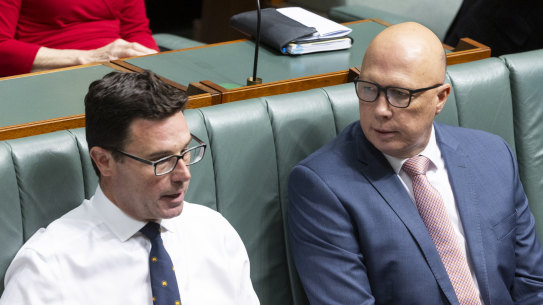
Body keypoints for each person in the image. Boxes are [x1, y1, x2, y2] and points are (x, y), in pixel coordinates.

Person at [288, 22, 543, 305]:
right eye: (370, 88)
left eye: (400, 94)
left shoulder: (493, 155)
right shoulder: (322, 186)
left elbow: (533, 285)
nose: (381, 110)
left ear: (440, 98)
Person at [0, 71, 260, 305]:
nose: (184, 174)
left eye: (185, 151)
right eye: (161, 160)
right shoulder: (48, 269)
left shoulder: (214, 233)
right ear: (104, 161)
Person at [0, 0, 159, 77]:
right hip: (54, 74)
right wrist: (88, 58)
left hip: (119, 72)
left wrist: (151, 63)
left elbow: (136, 31)